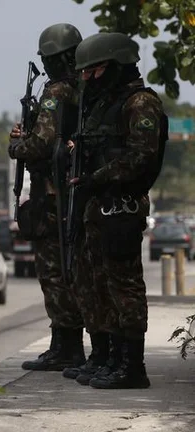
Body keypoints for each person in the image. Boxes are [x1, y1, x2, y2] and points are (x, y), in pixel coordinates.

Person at [67, 32, 168, 389]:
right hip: (100, 203)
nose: (88, 80)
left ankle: (131, 365)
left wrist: (97, 176)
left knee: (124, 286)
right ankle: (111, 358)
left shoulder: (140, 104)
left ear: (115, 65)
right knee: (100, 283)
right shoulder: (106, 105)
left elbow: (140, 157)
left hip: (122, 204)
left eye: (94, 71)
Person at [8, 23, 86, 371]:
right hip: (67, 193)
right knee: (68, 272)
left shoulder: (56, 92)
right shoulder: (84, 88)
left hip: (54, 195)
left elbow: (40, 143)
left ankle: (65, 347)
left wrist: (16, 146)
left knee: (54, 273)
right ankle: (65, 344)